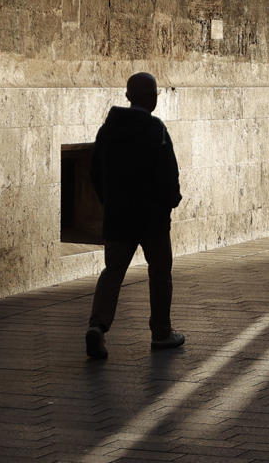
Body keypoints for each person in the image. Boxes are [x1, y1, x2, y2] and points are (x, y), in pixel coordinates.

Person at [85, 72, 184, 359]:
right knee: (160, 272)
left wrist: (109, 202)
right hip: (152, 218)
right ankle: (161, 332)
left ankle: (98, 326)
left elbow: (95, 171)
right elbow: (168, 173)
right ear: (151, 98)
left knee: (113, 272)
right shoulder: (156, 130)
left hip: (118, 216)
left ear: (129, 97)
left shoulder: (108, 130)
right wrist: (171, 201)